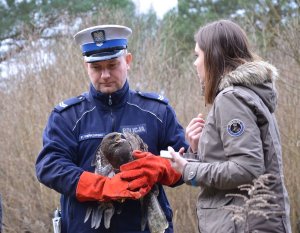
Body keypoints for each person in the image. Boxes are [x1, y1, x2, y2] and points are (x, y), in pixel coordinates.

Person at [121, 20, 292, 233]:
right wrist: (198, 149)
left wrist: (188, 169)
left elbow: (247, 168)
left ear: (213, 56)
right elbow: (240, 163)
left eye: (197, 55)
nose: (195, 63)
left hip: (245, 224)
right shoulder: (247, 95)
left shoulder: (232, 99)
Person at [35, 24, 188, 233]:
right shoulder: (67, 116)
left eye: (113, 65)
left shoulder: (157, 111)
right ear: (86, 67)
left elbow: (185, 163)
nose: (105, 74)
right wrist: (102, 187)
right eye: (96, 68)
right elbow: (49, 166)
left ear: (128, 61)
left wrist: (162, 167)